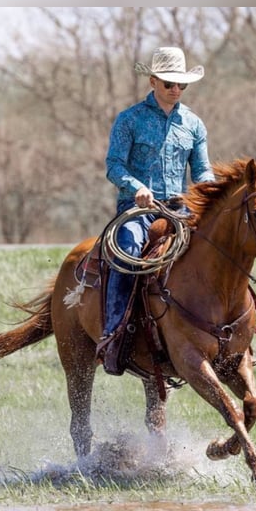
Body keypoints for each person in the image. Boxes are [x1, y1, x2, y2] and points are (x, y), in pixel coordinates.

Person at [97, 46, 215, 375]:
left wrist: (210, 192)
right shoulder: (129, 120)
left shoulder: (193, 124)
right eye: (168, 84)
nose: (175, 90)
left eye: (181, 85)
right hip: (137, 210)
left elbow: (202, 171)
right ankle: (114, 333)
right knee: (127, 250)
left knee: (216, 248)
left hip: (179, 208)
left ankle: (223, 332)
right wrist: (137, 188)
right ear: (153, 81)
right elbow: (114, 166)